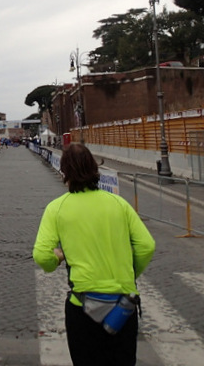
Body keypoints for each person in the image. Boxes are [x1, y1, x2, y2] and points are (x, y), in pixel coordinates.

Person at [32, 144, 155, 366]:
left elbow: (42, 256)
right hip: (123, 306)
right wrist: (130, 272)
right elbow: (146, 246)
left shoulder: (56, 208)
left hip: (83, 306)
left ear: (64, 171)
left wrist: (57, 259)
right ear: (94, 168)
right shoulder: (119, 203)